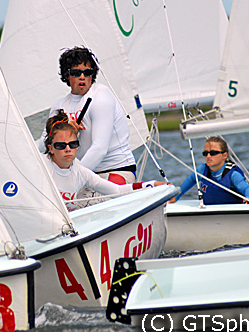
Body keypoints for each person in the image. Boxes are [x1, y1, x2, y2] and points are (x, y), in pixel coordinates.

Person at [38, 46, 136, 186]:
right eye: (76, 73)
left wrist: (70, 179)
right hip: (85, 174)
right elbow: (43, 148)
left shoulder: (101, 96)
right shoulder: (59, 105)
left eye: (88, 72)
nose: (82, 77)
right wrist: (63, 131)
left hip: (117, 170)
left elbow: (99, 149)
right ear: (66, 75)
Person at [43, 111, 163, 210]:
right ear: (51, 148)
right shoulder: (40, 167)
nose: (68, 149)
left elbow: (118, 190)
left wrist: (153, 185)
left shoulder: (81, 172)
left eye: (73, 144)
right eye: (61, 145)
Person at [172, 137, 249, 205]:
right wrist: (175, 197)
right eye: (205, 153)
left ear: (224, 155)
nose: (208, 156)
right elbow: (191, 180)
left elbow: (247, 189)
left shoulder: (233, 174)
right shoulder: (201, 170)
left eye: (213, 153)